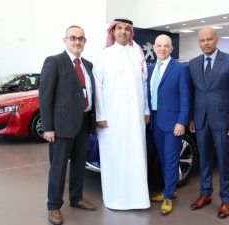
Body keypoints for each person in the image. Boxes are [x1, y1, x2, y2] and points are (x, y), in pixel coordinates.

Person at [39, 25, 96, 225]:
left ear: (85, 41)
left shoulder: (88, 64)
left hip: (83, 124)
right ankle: (54, 206)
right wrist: (48, 127)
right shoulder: (54, 62)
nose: (77, 42)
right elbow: (45, 97)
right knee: (58, 168)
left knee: (79, 165)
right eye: (73, 38)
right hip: (61, 127)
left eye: (81, 38)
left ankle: (77, 198)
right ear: (65, 40)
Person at [188, 27, 229, 219]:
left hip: (223, 120)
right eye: (202, 40)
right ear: (199, 42)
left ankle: (226, 199)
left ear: (216, 40)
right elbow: (193, 93)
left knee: (224, 160)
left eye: (209, 39)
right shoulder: (193, 63)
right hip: (201, 119)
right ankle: (205, 193)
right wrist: (191, 118)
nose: (206, 43)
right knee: (204, 159)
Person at [93, 18, 150, 210]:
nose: (123, 32)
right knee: (114, 157)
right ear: (113, 31)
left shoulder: (137, 53)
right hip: (111, 118)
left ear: (130, 32)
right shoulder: (103, 55)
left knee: (135, 156)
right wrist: (100, 115)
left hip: (135, 118)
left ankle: (138, 199)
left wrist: (146, 110)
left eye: (127, 29)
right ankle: (115, 199)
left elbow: (143, 85)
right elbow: (97, 88)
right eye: (119, 28)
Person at [148, 34, 190, 215]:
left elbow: (186, 98)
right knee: (164, 159)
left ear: (171, 48)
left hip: (173, 123)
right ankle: (169, 189)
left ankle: (168, 198)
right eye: (159, 45)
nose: (162, 49)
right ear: (154, 48)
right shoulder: (150, 68)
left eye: (166, 46)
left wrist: (182, 122)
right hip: (155, 121)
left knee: (171, 159)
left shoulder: (180, 69)